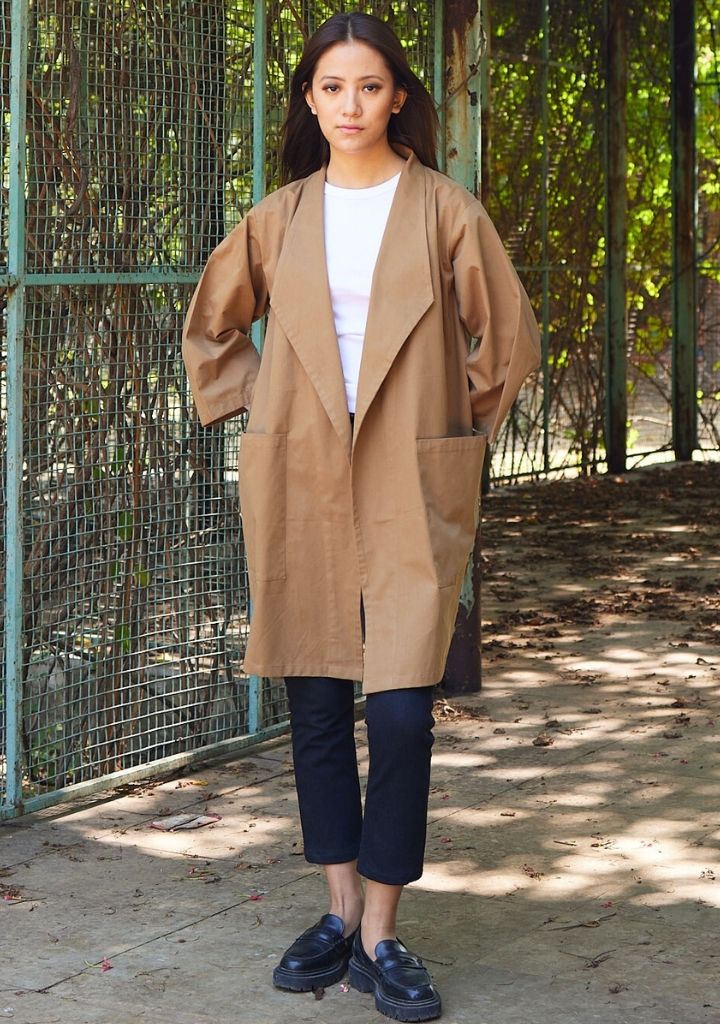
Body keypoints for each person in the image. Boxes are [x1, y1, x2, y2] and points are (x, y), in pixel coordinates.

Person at [182, 11, 540, 1022]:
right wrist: (263, 406)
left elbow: (506, 338)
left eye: (370, 87)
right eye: (332, 88)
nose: (350, 106)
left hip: (408, 474)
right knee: (316, 697)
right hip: (300, 470)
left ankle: (384, 930)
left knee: (401, 711)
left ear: (398, 98)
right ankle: (339, 912)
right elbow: (211, 328)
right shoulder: (279, 217)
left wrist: (449, 429)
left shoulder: (446, 212)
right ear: (309, 99)